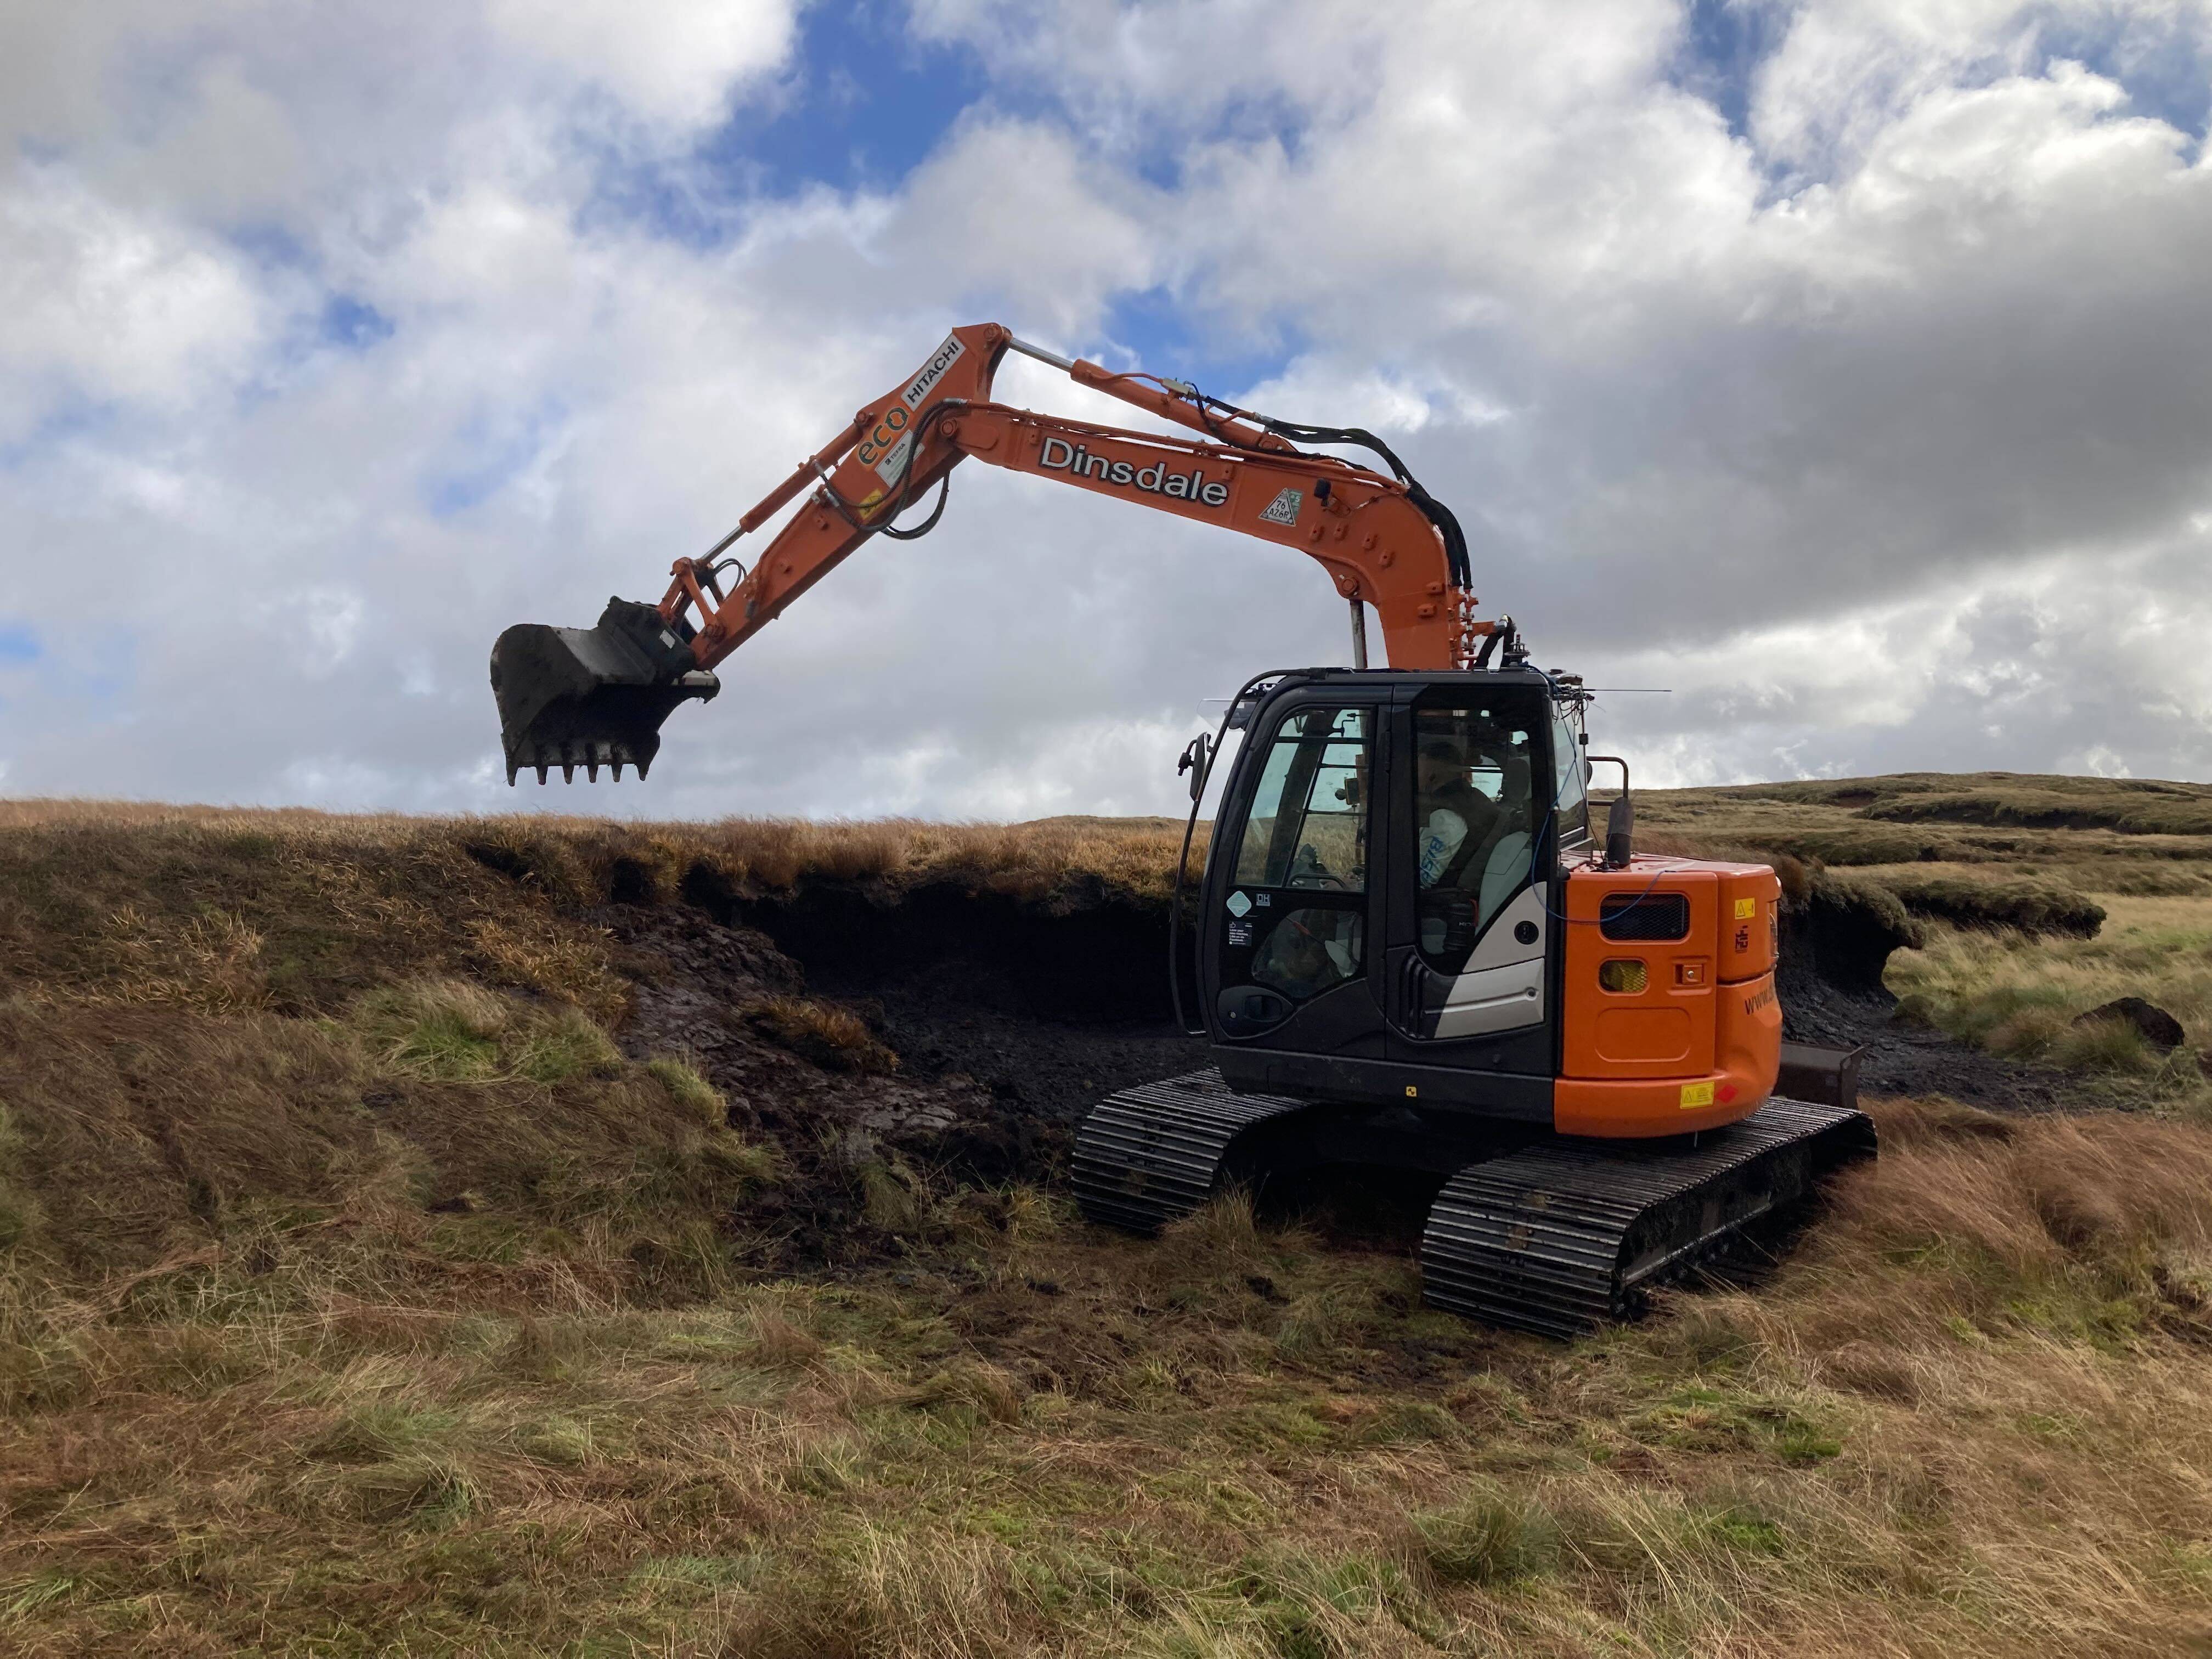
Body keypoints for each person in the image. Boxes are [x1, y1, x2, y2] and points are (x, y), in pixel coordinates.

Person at [1414, 737, 1500, 889]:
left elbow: (1424, 880)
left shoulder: (1445, 817)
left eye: (1418, 768)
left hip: (1440, 900)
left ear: (1432, 772)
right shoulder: (1473, 796)